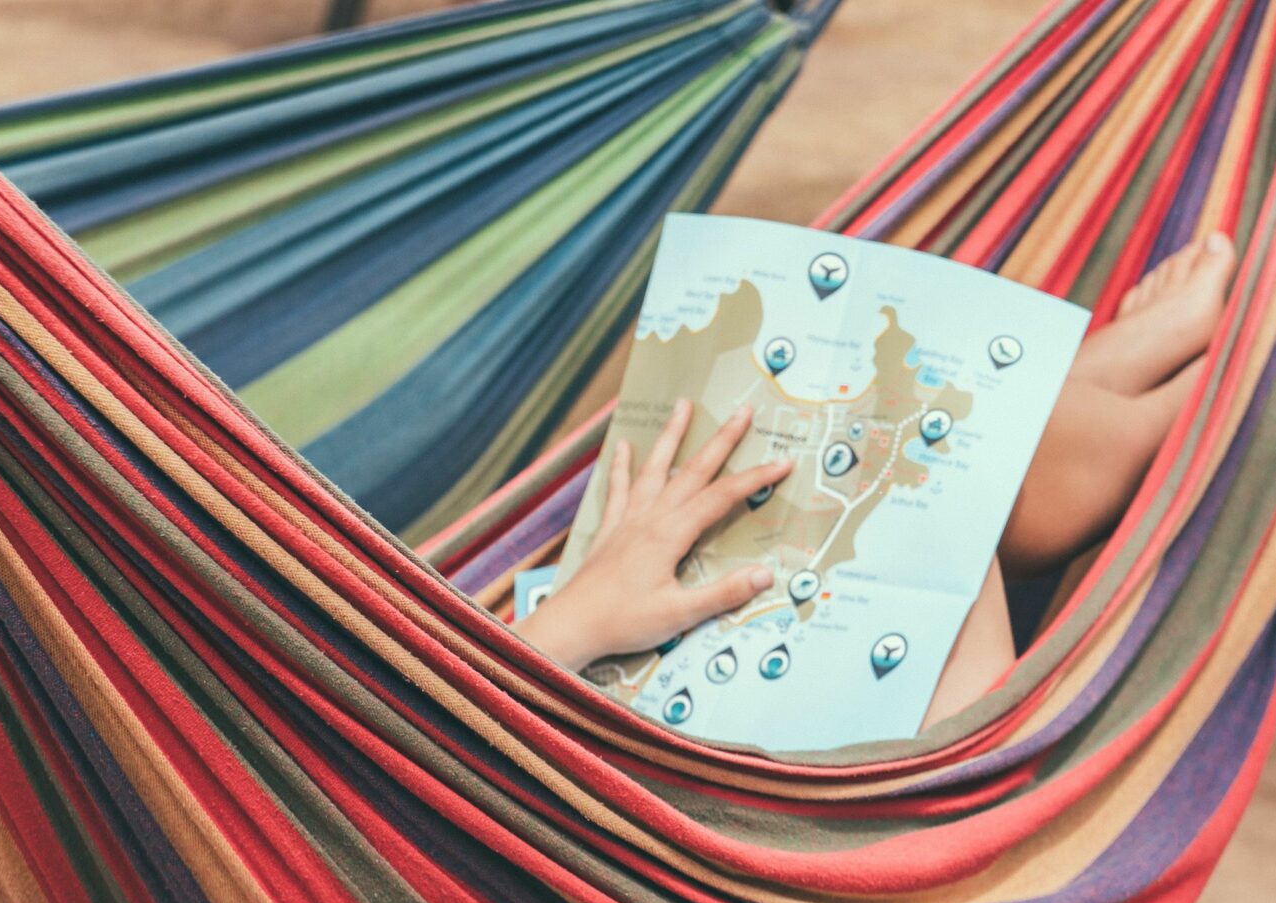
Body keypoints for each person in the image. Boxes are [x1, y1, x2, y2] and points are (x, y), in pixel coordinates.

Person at [518, 233, 1237, 730]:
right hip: (834, 855)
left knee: (779, 450)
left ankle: (1109, 389)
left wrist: (570, 621)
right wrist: (572, 624)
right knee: (895, 453)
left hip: (527, 705)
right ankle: (1186, 403)